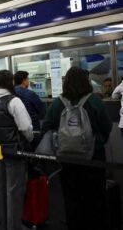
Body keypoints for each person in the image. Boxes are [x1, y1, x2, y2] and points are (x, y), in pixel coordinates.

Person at [41, 66, 112, 230]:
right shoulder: (94, 101)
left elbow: (46, 127)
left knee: (71, 199)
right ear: (86, 82)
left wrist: (59, 143)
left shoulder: (58, 103)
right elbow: (106, 127)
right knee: (95, 199)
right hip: (94, 160)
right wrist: (97, 143)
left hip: (67, 161)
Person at [0, 70, 33, 230]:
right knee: (14, 191)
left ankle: (0, 226)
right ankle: (14, 227)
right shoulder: (13, 101)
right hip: (13, 151)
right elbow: (26, 127)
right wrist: (30, 138)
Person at [14, 70, 45, 147]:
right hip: (33, 130)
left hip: (16, 131)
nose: (28, 81)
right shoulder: (30, 94)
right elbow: (42, 111)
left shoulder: (10, 94)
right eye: (27, 79)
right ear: (24, 81)